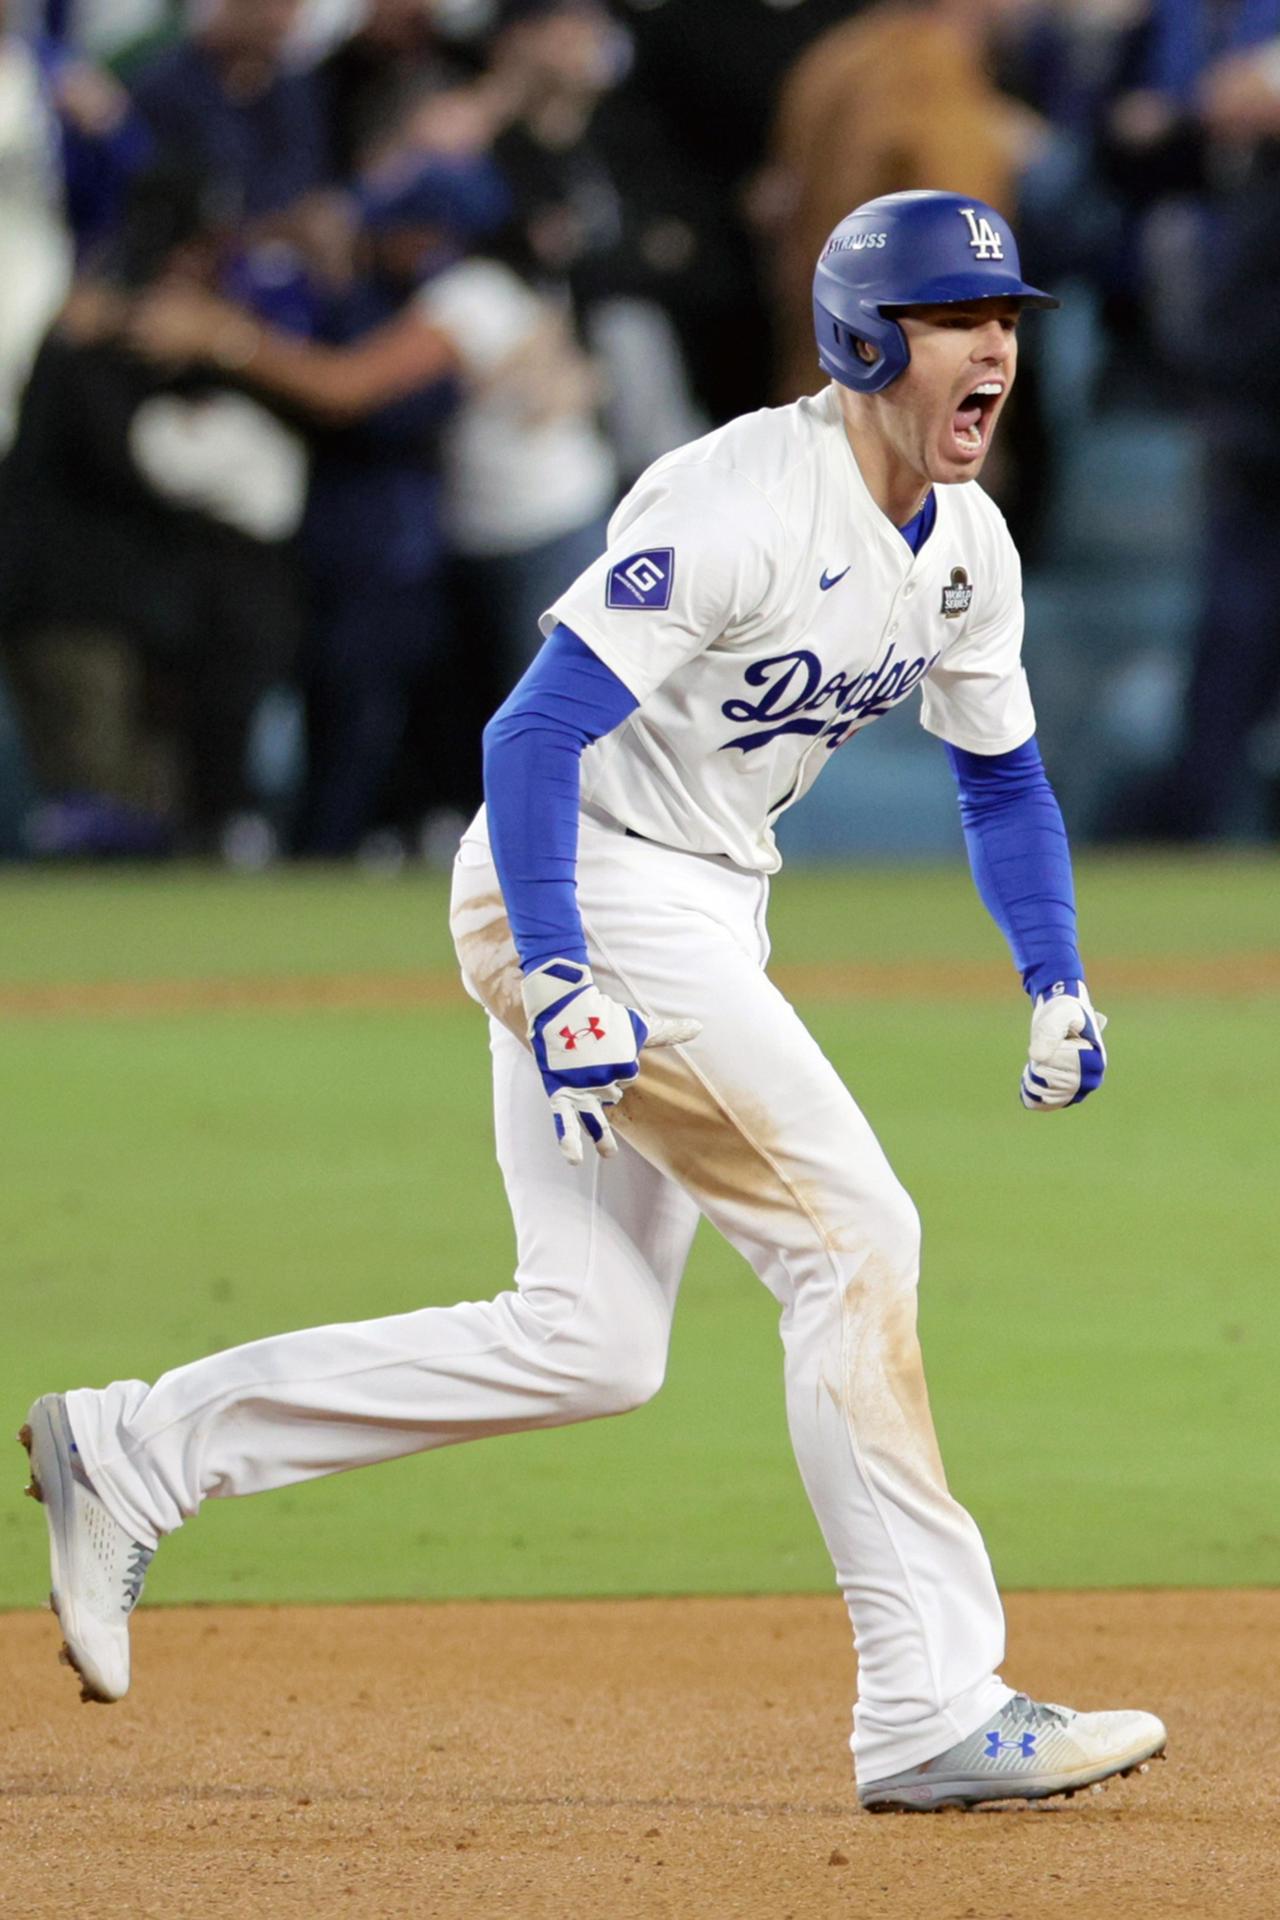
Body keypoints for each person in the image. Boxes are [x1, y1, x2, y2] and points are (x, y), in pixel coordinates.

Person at [21, 190, 1168, 1814]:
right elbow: (526, 736)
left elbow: (1004, 782)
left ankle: (141, 1448)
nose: (992, 347)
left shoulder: (966, 548)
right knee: (852, 1239)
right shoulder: (741, 503)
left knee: (592, 1342)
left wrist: (1053, 974)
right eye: (951, 318)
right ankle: (928, 1701)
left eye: (1005, 322)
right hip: (586, 881)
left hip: (700, 900)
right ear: (860, 336)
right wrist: (561, 970)